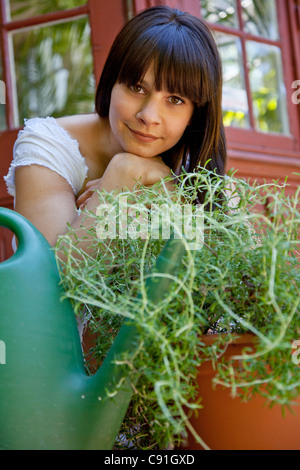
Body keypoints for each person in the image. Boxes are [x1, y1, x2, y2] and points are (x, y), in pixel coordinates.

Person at [4, 5, 226, 252]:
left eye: (175, 99)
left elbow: (223, 268)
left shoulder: (196, 168)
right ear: (112, 83)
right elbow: (55, 279)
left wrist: (171, 192)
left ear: (195, 114)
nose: (149, 116)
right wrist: (121, 177)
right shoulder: (48, 145)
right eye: (137, 88)